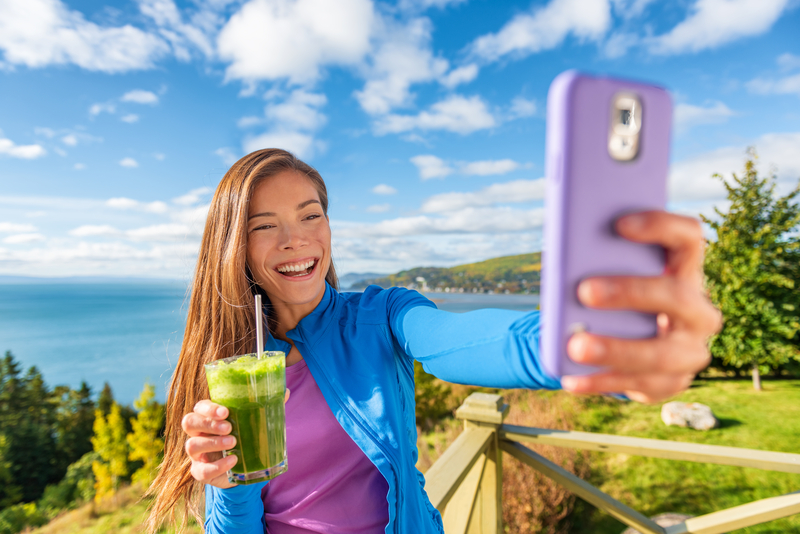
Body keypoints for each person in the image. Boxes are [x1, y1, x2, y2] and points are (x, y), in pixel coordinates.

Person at [146, 149, 721, 534]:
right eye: (264, 225)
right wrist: (226, 484)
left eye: (311, 215)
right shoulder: (231, 371)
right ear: (234, 246)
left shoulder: (381, 316)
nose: (296, 241)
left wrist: (587, 345)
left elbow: (461, 340)